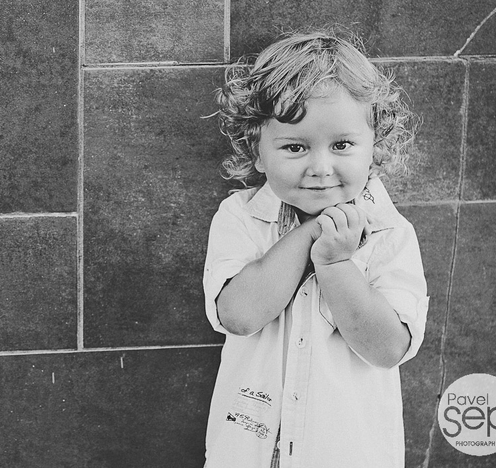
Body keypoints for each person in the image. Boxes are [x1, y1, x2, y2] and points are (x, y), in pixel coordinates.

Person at [202, 31, 429, 468]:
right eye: (295, 147)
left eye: (342, 145)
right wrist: (310, 234)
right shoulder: (241, 218)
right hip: (250, 453)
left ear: (374, 149)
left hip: (346, 455)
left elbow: (388, 349)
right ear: (257, 151)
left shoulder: (390, 234)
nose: (321, 168)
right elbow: (239, 315)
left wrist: (336, 263)